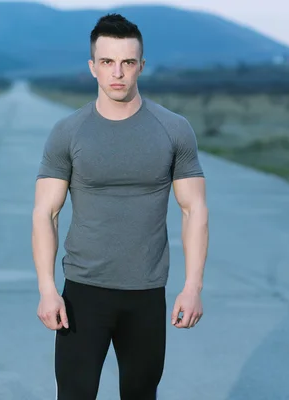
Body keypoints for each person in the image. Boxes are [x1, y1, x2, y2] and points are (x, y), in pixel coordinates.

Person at [31, 13, 209, 400]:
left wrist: (192, 286)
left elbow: (194, 209)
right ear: (92, 67)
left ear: (141, 66)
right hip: (82, 294)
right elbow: (46, 213)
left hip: (145, 293)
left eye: (128, 62)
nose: (118, 73)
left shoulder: (173, 129)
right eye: (108, 62)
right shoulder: (69, 131)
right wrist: (47, 289)